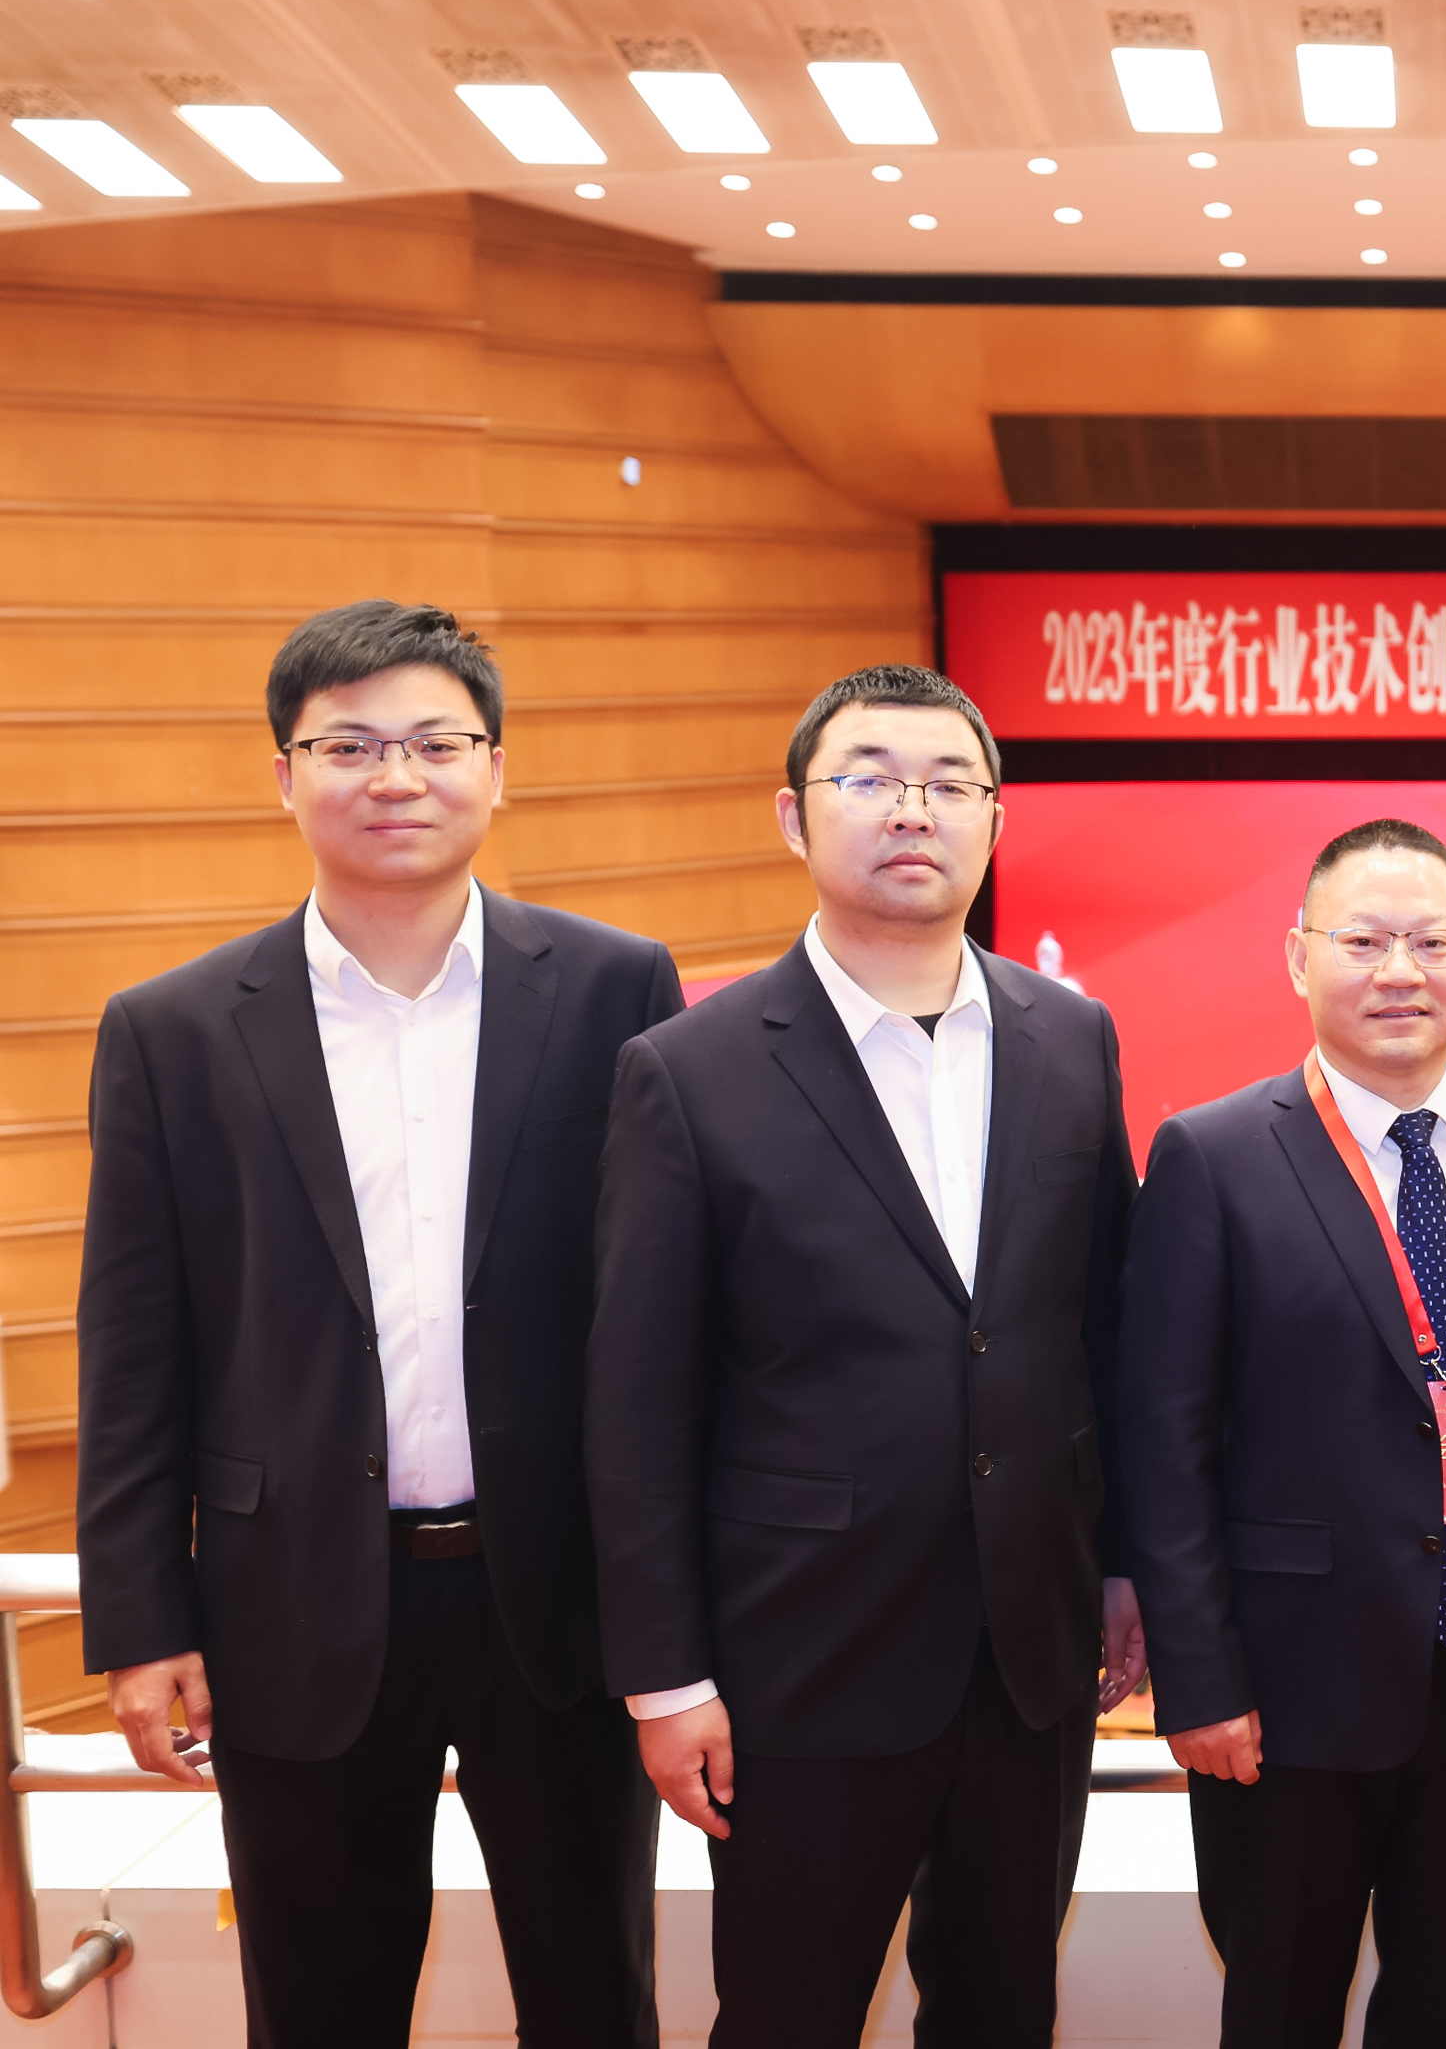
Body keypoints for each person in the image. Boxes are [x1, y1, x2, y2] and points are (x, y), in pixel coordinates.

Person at [77, 601, 674, 2046]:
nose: (394, 776)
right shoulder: (172, 1028)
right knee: (317, 2007)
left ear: (496, 768)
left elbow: (664, 1316)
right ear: (284, 774)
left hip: (559, 1600)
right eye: (347, 746)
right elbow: (134, 1349)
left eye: (434, 743)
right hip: (289, 1600)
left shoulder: (617, 986)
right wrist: (143, 1621)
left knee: (595, 1996)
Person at [585, 664, 1143, 2046]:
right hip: (798, 1666)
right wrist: (667, 1677)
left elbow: (1104, 1328)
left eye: (952, 783)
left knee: (1004, 2007)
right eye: (871, 778)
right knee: (786, 2015)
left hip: (1027, 1654)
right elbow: (637, 1402)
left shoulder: (1070, 1036)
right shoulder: (688, 1069)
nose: (914, 809)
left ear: (995, 819)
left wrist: (1123, 1566)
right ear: (794, 816)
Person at [1117, 818, 1446, 2049]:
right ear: (1299, 956)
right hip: (1287, 1688)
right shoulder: (1213, 1154)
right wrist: (1199, 1676)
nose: (1399, 971)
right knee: (1280, 2005)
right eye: (1363, 940)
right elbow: (1163, 1439)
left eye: (1430, 941)